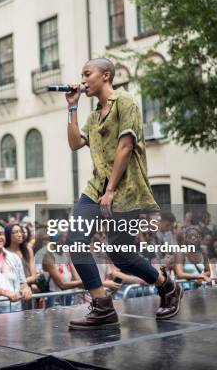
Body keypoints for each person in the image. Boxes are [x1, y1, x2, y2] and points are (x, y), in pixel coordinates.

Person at [65, 58, 182, 330]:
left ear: (105, 76)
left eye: (87, 74)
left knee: (121, 255)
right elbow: (74, 143)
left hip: (124, 188)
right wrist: (72, 107)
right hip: (96, 188)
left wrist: (112, 190)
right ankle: (102, 306)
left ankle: (167, 286)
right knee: (75, 239)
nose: (82, 80)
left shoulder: (126, 101)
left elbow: (126, 146)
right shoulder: (93, 117)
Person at [35, 231, 83, 307]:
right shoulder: (48, 257)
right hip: (54, 298)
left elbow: (76, 277)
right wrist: (84, 282)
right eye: (65, 237)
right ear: (56, 240)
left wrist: (83, 282)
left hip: (68, 296)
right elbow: (62, 284)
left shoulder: (67, 254)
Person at [5, 224, 37, 290]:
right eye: (15, 232)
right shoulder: (5, 252)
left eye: (20, 231)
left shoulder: (28, 250)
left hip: (28, 289)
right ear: (8, 235)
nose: (19, 235)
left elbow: (34, 276)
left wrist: (21, 282)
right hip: (12, 290)